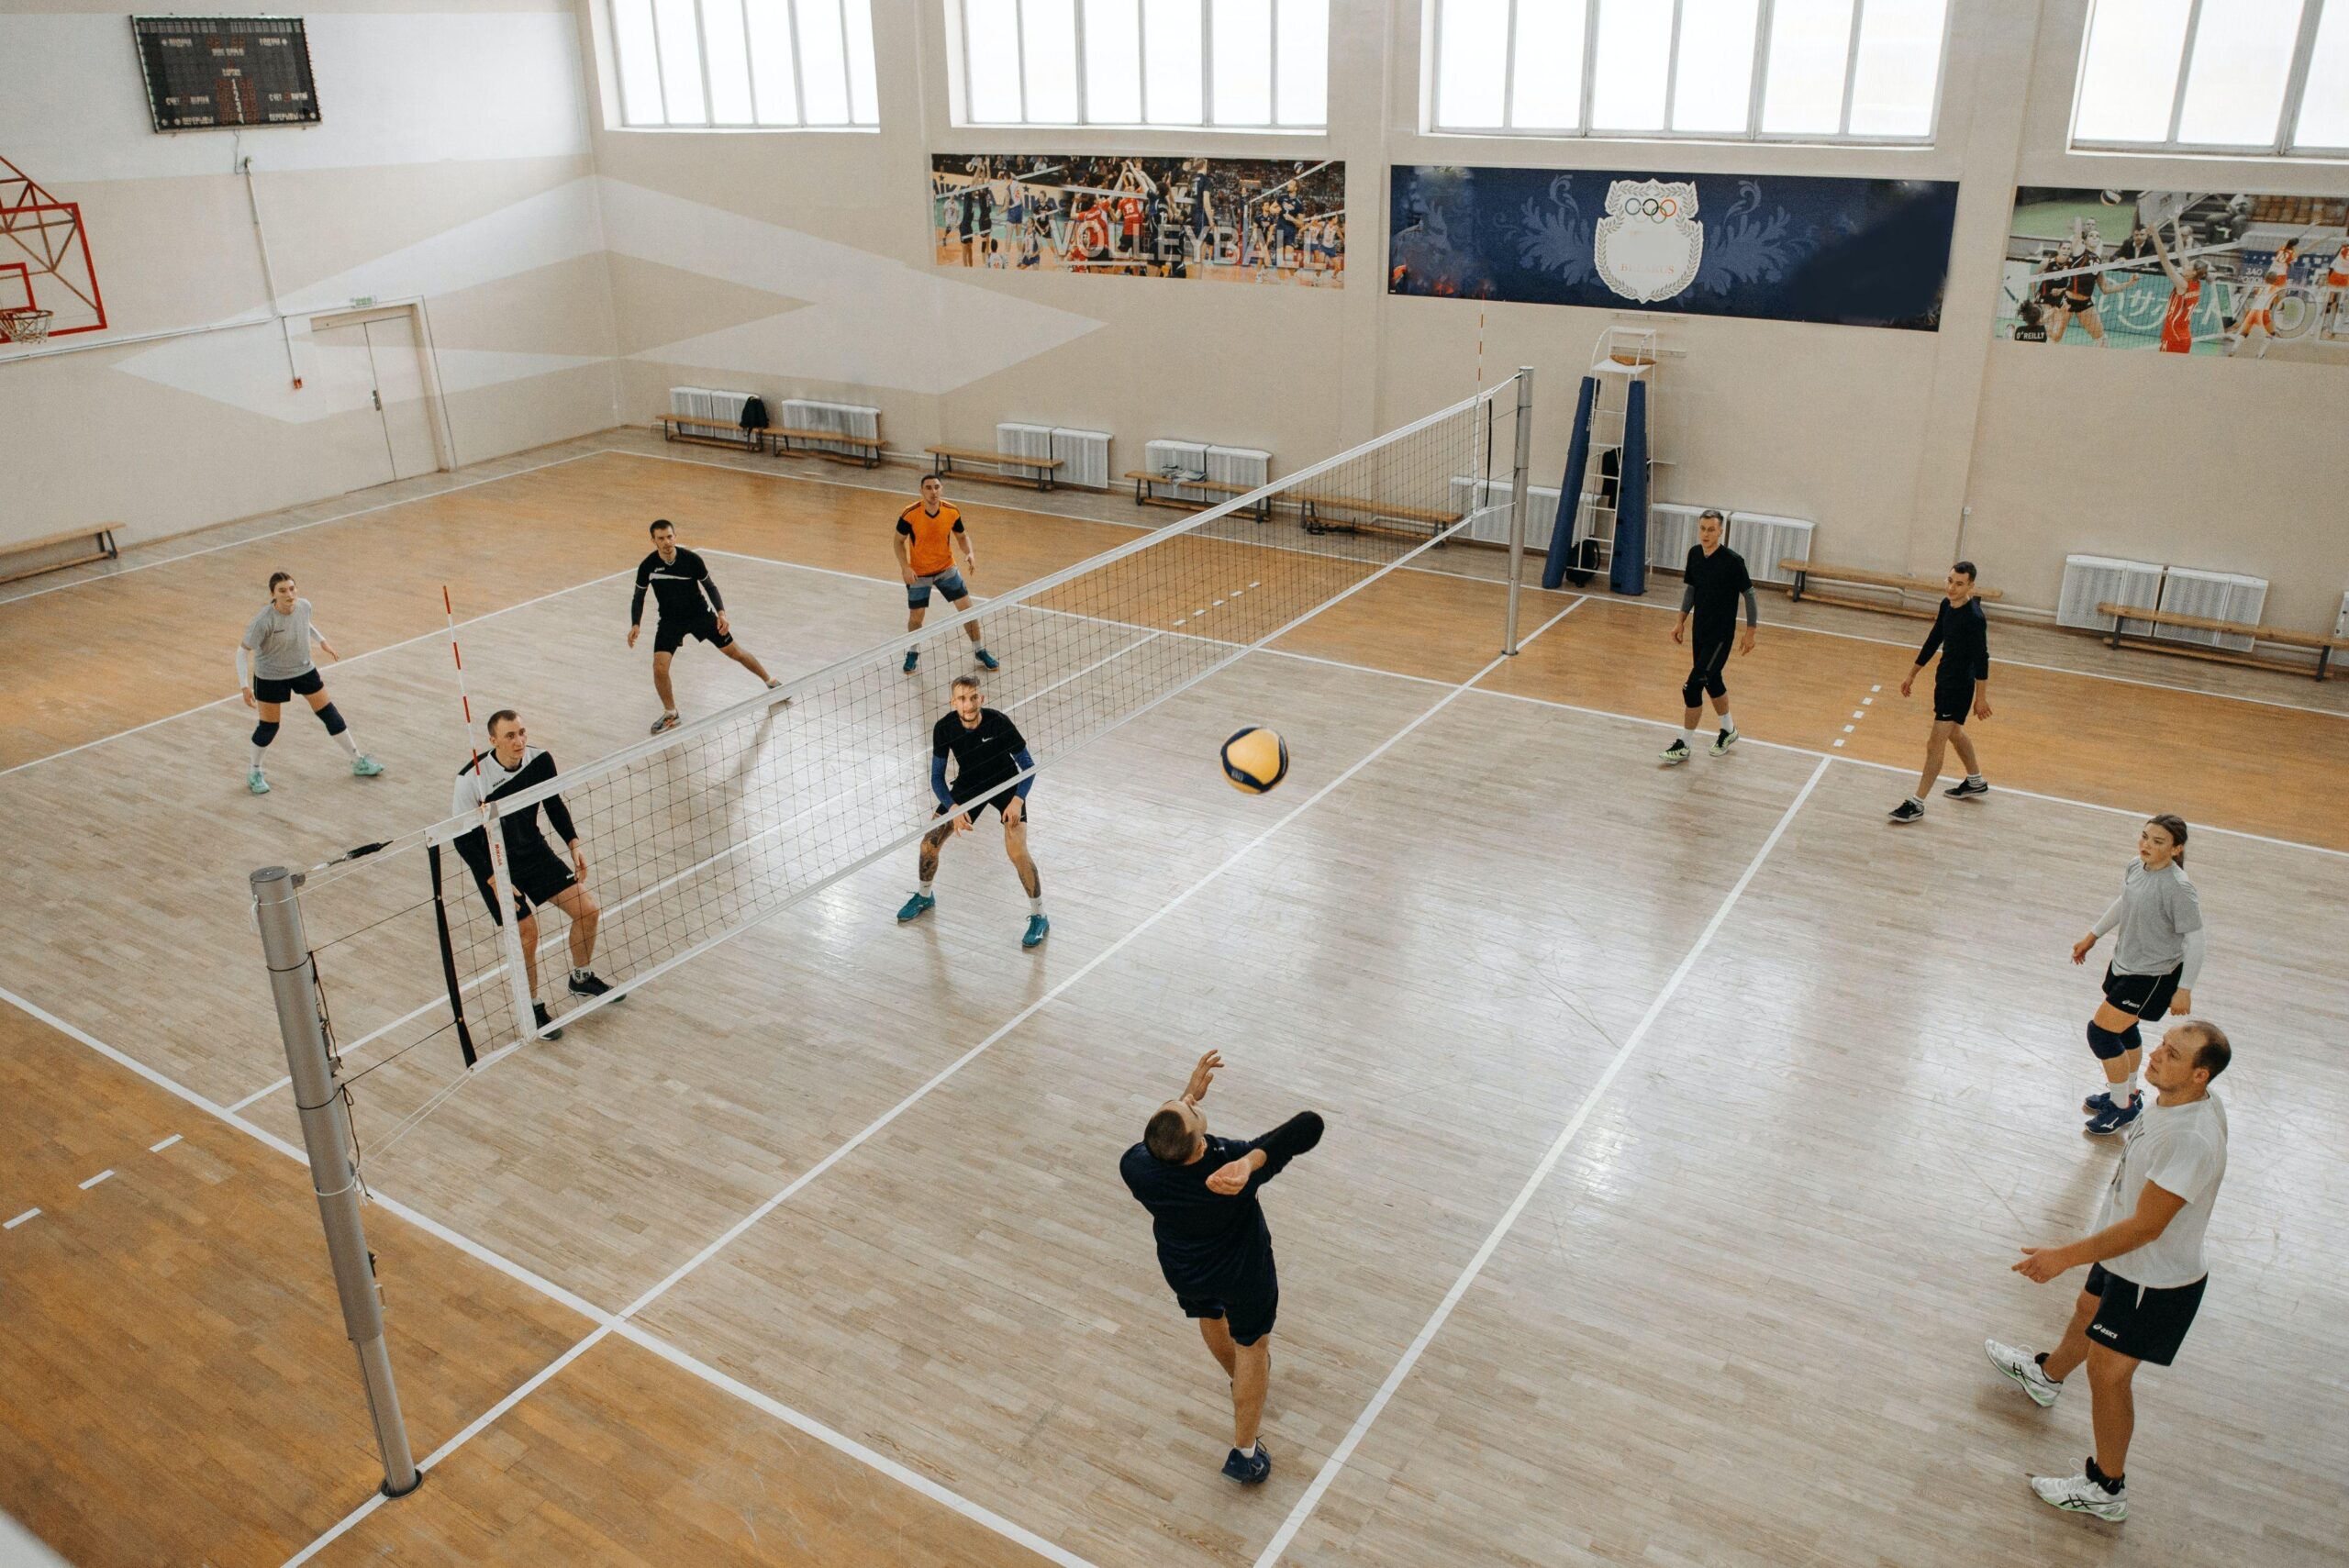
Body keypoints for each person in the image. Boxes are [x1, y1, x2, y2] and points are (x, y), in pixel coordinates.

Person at [1984, 1019, 2232, 1524]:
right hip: (2121, 1255)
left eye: (2174, 1054)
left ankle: (2106, 1488)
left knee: (2108, 1376)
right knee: (2085, 1309)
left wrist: (2063, 1256)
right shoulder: (2175, 1101)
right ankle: (2047, 1377)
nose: (2157, 1054)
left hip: (2152, 1280)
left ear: (2200, 1075)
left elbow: (2146, 1228)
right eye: (2163, 1044)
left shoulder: (2191, 1139)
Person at [1119, 1050, 1324, 1485]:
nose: (1191, 1102)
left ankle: (1243, 1384)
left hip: (1185, 1268)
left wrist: (1185, 1097)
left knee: (1209, 1314)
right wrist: (1252, 1162)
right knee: (1253, 1346)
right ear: (1198, 1142)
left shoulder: (1137, 1167)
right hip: (1243, 1273)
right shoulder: (1228, 1163)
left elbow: (1166, 1139)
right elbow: (1309, 1126)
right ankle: (1245, 1453)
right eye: (1187, 1109)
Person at [450, 709, 614, 1040]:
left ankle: (581, 978)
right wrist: (494, 878)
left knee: (588, 911)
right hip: (495, 864)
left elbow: (553, 803)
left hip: (534, 853)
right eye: (510, 736)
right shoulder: (471, 780)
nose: (519, 741)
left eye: (522, 732)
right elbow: (462, 840)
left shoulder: (540, 761)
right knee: (527, 933)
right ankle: (533, 1006)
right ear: (493, 740)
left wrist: (573, 843)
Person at [2070, 816, 2205, 1135]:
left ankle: (2122, 1108)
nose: (2146, 845)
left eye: (2158, 842)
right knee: (2124, 1030)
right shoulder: (2135, 866)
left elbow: (2196, 940)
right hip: (2124, 963)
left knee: (2101, 1033)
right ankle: (2126, 1093)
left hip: (2152, 975)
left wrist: (2184, 988)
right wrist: (2094, 935)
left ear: (2176, 849)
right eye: (2145, 837)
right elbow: (2126, 900)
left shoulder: (2179, 888)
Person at [896, 675, 1045, 948]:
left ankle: (1039, 916)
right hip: (969, 786)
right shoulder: (944, 728)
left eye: (974, 697)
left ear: (982, 699)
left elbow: (1029, 767)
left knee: (1017, 852)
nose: (969, 704)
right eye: (962, 699)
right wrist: (953, 808)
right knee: (929, 844)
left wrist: (1018, 800)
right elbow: (937, 778)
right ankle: (924, 896)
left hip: (1006, 786)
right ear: (954, 702)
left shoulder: (998, 722)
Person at [237, 571, 384, 795]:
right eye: (283, 590)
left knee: (328, 712)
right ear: (272, 594)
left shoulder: (304, 605)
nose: (289, 594)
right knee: (269, 727)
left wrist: (322, 642)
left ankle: (358, 760)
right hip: (270, 676)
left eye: (292, 589)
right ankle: (254, 771)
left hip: (303, 669)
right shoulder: (263, 621)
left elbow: (306, 623)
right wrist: (244, 686)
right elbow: (241, 651)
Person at [629, 519, 781, 735]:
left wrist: (721, 613)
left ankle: (771, 681)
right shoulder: (647, 566)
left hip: (700, 615)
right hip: (670, 621)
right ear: (653, 540)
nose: (666, 542)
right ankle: (671, 713)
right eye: (661, 538)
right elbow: (638, 597)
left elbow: (710, 586)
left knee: (735, 652)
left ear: (675, 537)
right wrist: (635, 624)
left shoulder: (691, 560)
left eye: (669, 537)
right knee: (659, 667)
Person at [1888, 562, 1991, 824]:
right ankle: (1975, 781)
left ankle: (1917, 802)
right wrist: (1913, 672)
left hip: (1959, 686)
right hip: (1944, 680)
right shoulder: (1947, 606)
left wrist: (1981, 698)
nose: (1952, 588)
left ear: (1971, 586)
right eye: (1949, 581)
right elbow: (1935, 638)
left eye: (1959, 584)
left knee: (1936, 743)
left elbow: (1982, 659)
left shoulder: (1974, 618)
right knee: (1955, 733)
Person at [1660, 509, 1758, 763]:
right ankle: (1728, 730)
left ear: (1721, 531)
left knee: (1692, 687)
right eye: (1702, 529)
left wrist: (1750, 632)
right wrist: (1680, 621)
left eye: (1711, 529)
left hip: (1720, 636)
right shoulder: (1694, 554)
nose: (1706, 534)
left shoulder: (1733, 562)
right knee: (1712, 682)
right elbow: (1692, 589)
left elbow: (1749, 594)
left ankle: (1684, 744)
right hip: (1699, 632)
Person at [896, 475, 998, 674]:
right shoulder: (910, 514)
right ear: (921, 491)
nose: (933, 492)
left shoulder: (951, 511)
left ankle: (979, 650)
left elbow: (961, 536)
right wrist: (905, 567)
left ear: (941, 489)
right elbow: (898, 542)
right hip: (920, 573)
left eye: (936, 487)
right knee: (916, 618)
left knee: (968, 611)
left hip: (946, 569)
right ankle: (912, 652)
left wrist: (969, 552)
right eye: (928, 488)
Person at [2149, 221, 2210, 355]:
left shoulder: (2183, 285)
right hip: (2185, 338)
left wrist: (2155, 234)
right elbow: (2180, 251)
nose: (2185, 265)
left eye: (2189, 265)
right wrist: (2176, 221)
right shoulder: (2196, 283)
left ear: (2193, 272)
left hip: (2173, 338)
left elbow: (2164, 258)